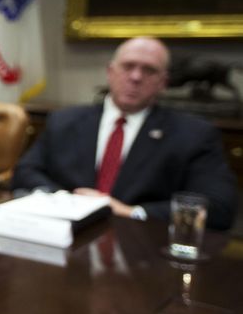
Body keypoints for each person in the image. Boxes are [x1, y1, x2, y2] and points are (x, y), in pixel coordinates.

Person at [12, 36, 237, 229]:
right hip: (67, 235)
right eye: (128, 66)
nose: (136, 77)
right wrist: (65, 201)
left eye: (149, 70)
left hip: (142, 247)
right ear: (110, 72)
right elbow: (25, 172)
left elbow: (220, 207)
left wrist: (133, 212)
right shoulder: (64, 121)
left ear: (163, 83)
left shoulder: (193, 135)